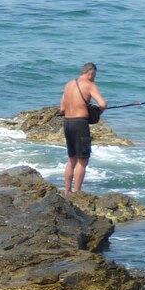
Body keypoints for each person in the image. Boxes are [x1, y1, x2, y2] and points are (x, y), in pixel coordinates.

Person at [58, 63, 107, 194]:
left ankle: (67, 191)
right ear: (90, 73)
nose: (94, 78)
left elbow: (62, 109)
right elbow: (103, 104)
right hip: (80, 124)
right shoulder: (90, 85)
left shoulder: (68, 84)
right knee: (83, 160)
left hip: (67, 122)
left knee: (71, 159)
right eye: (94, 75)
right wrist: (96, 113)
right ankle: (77, 192)